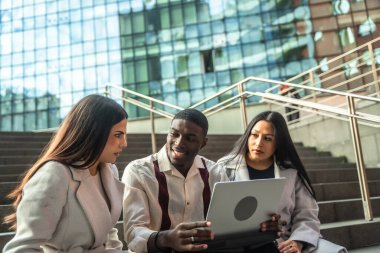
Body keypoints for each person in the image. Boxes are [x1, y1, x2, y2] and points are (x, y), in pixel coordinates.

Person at [122, 109, 281, 253]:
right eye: (174, 134)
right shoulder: (139, 171)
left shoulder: (216, 172)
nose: (179, 143)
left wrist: (262, 227)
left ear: (203, 143)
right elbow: (133, 233)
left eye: (190, 138)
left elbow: (228, 225)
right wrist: (166, 238)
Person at [3, 94, 128, 253]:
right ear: (93, 132)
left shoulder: (109, 170)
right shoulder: (54, 174)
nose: (124, 143)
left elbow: (108, 232)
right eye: (118, 135)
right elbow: (22, 248)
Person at [217, 111, 347, 253]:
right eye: (254, 135)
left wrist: (298, 241)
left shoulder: (290, 172)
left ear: (278, 143)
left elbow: (307, 214)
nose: (258, 143)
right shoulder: (224, 167)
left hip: (285, 241)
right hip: (240, 244)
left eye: (267, 138)